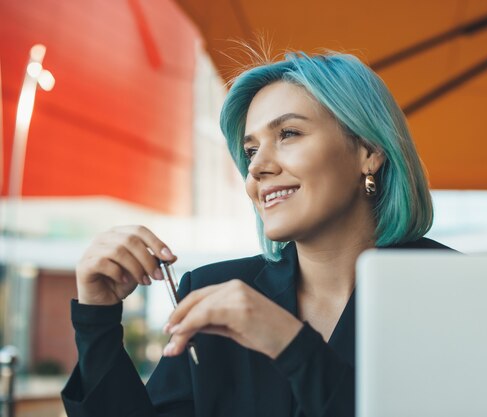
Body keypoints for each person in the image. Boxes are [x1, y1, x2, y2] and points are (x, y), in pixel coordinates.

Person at [61, 51, 453, 417]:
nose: (258, 168)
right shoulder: (212, 290)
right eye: (250, 151)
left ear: (369, 150)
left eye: (289, 134)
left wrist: (290, 344)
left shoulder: (450, 291)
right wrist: (97, 321)